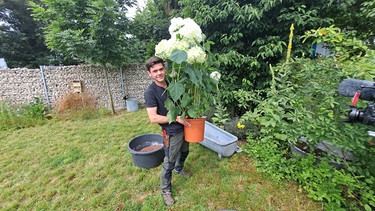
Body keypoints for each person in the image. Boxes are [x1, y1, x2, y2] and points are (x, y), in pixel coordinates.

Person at [144, 56, 191, 206]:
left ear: (165, 69)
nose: (159, 73)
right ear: (149, 74)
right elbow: (153, 118)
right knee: (169, 160)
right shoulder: (150, 92)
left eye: (161, 69)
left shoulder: (172, 83)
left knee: (185, 151)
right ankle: (165, 190)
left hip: (184, 125)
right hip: (170, 131)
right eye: (155, 71)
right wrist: (175, 118)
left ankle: (179, 168)